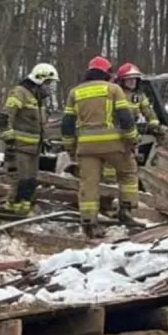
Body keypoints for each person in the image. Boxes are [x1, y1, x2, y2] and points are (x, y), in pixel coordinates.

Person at [60, 56, 140, 238]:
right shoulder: (114, 89)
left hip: (86, 147)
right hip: (113, 144)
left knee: (89, 183)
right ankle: (126, 212)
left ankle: (89, 223)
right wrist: (132, 141)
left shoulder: (75, 92)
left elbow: (67, 124)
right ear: (107, 73)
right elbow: (125, 118)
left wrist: (70, 148)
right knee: (128, 173)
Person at [0, 63, 58, 216]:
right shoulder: (20, 93)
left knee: (30, 182)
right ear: (39, 80)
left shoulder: (37, 99)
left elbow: (37, 123)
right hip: (19, 148)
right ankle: (12, 212)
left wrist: (44, 139)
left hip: (33, 149)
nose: (49, 88)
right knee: (19, 182)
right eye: (48, 83)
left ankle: (23, 211)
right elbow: (5, 116)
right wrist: (9, 139)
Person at [101, 62, 165, 185]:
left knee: (128, 163)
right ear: (122, 80)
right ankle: (109, 185)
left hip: (130, 132)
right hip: (114, 132)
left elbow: (148, 112)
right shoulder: (115, 93)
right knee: (111, 162)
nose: (132, 82)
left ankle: (125, 186)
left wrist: (155, 126)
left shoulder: (139, 96)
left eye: (134, 79)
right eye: (128, 79)